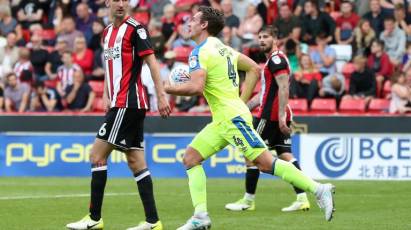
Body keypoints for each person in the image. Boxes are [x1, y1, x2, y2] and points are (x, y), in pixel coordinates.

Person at [164, 6, 335, 230]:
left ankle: (318, 189)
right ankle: (200, 216)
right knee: (191, 158)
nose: (188, 23)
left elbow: (197, 87)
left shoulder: (199, 52)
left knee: (265, 163)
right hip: (223, 119)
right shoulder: (223, 48)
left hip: (231, 118)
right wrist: (241, 101)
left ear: (204, 25)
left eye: (193, 20)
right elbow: (254, 69)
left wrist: (169, 88)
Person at [65, 0, 171, 230]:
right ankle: (153, 221)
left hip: (129, 102)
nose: (121, 3)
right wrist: (105, 93)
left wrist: (161, 95)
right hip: (119, 102)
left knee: (96, 155)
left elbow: (151, 62)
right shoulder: (107, 33)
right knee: (135, 161)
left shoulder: (136, 28)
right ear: (108, 3)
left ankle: (94, 219)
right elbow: (110, 66)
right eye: (117, 0)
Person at [225, 25, 311, 214]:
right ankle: (302, 198)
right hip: (277, 113)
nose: (262, 40)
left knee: (250, 154)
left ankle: (248, 201)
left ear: (276, 39)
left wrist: (280, 116)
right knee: (285, 155)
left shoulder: (276, 60)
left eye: (266, 37)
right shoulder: (273, 61)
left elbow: (283, 89)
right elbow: (264, 94)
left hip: (270, 116)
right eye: (260, 37)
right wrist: (243, 107)